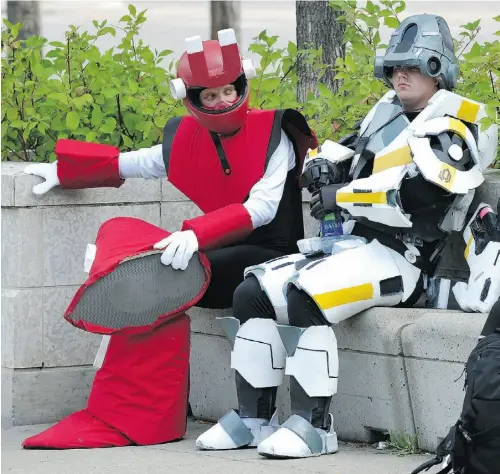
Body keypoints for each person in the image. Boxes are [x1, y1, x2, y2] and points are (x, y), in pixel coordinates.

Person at [195, 14, 499, 459]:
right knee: (251, 292)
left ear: (437, 68)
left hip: (407, 262)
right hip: (354, 248)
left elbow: (421, 196)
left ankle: (314, 426)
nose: (401, 75)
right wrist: (324, 165)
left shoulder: (456, 119)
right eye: (395, 66)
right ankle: (254, 418)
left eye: (412, 67)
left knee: (306, 294)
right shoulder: (386, 110)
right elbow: (352, 149)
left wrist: (345, 196)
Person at [21, 28, 318, 449]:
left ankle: (176, 420)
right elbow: (138, 162)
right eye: (209, 96)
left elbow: (262, 209)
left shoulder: (275, 132)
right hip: (219, 247)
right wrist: (65, 170)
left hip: (273, 257)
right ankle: (127, 414)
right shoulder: (187, 136)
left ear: (242, 86)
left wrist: (197, 234)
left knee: (168, 279)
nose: (221, 103)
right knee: (145, 270)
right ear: (191, 98)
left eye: (228, 92)